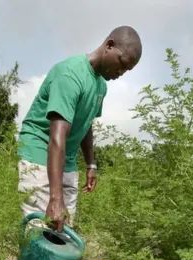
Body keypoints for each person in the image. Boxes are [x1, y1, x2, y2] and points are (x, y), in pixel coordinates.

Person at [17, 25, 142, 232]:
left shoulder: (101, 85)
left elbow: (86, 122)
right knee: (40, 238)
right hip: (39, 155)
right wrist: (55, 199)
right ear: (109, 46)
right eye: (121, 63)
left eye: (127, 70)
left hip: (66, 161)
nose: (121, 72)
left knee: (63, 233)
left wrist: (91, 164)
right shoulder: (70, 74)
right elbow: (57, 136)